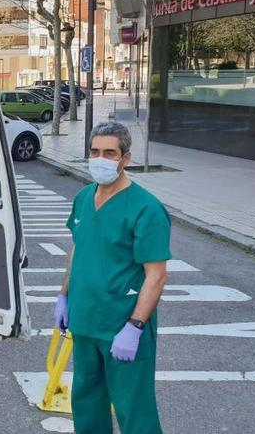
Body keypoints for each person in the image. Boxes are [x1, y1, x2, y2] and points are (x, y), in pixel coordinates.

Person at [54, 122, 171, 434]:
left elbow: (156, 276)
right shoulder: (83, 197)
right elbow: (78, 247)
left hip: (122, 324)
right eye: (94, 151)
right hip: (85, 320)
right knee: (87, 402)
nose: (100, 159)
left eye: (109, 153)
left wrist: (135, 327)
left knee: (135, 411)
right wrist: (64, 296)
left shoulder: (146, 208)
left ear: (125, 158)